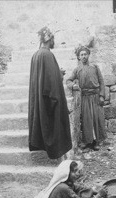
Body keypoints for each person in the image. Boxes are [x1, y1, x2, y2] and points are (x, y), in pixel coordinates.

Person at [28, 26, 72, 160]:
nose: (54, 42)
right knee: (55, 126)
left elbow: (43, 77)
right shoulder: (47, 55)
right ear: (49, 39)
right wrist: (56, 101)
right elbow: (51, 83)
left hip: (40, 97)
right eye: (53, 39)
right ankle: (55, 151)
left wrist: (58, 74)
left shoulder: (36, 55)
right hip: (49, 98)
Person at [66, 46, 107, 151]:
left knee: (97, 118)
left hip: (96, 96)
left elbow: (101, 82)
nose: (84, 56)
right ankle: (88, 142)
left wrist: (102, 96)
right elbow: (69, 81)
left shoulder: (95, 67)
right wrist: (73, 86)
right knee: (87, 120)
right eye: (81, 55)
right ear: (79, 57)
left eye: (85, 54)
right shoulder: (77, 69)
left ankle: (97, 141)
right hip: (85, 97)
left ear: (88, 55)